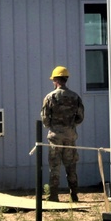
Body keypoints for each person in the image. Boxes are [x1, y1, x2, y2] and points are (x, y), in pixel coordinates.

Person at [40, 65, 85, 202]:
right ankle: (74, 194)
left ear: (56, 80)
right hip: (70, 136)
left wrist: (54, 126)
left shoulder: (50, 97)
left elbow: (45, 118)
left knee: (54, 166)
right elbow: (80, 117)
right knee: (71, 165)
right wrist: (70, 126)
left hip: (55, 137)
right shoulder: (75, 97)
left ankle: (53, 195)